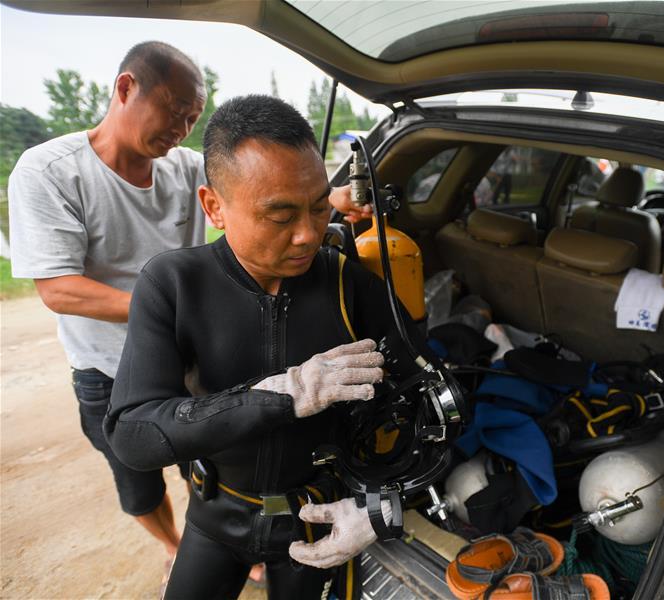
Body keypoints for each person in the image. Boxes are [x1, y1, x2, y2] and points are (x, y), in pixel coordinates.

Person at [7, 41, 366, 583]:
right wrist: (169, 310)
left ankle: (228, 535)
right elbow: (59, 290)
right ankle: (173, 544)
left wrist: (327, 201)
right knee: (140, 477)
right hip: (109, 365)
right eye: (174, 110)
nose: (182, 128)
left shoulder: (183, 167)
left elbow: (261, 187)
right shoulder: (51, 172)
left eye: (192, 117)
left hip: (197, 357)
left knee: (209, 454)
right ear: (126, 88)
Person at [105, 94, 415, 599]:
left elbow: (433, 401)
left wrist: (383, 505)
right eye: (280, 216)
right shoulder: (175, 284)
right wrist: (282, 395)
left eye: (319, 207)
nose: (307, 235)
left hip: (318, 516)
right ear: (214, 206)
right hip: (216, 514)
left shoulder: (346, 282)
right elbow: (133, 433)